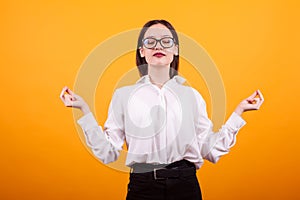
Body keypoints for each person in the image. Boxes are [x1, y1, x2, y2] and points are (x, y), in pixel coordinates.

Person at [60, 19, 264, 200]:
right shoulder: (124, 96)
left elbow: (208, 150)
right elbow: (109, 153)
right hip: (143, 187)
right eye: (150, 41)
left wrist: (238, 114)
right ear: (142, 51)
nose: (158, 46)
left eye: (166, 41)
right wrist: (84, 111)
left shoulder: (192, 97)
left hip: (185, 186)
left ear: (175, 49)